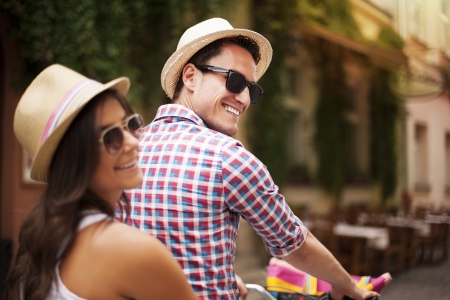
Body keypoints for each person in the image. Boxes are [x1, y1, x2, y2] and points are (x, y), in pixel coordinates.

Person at [126, 18, 379, 300]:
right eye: (234, 80)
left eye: (252, 89)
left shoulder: (127, 147)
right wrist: (347, 285)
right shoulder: (227, 158)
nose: (245, 98)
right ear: (190, 77)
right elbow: (295, 243)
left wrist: (216, 270)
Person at [4, 64, 198, 300]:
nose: (133, 142)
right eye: (111, 136)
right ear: (74, 158)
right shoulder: (133, 251)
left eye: (130, 125)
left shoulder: (40, 245)